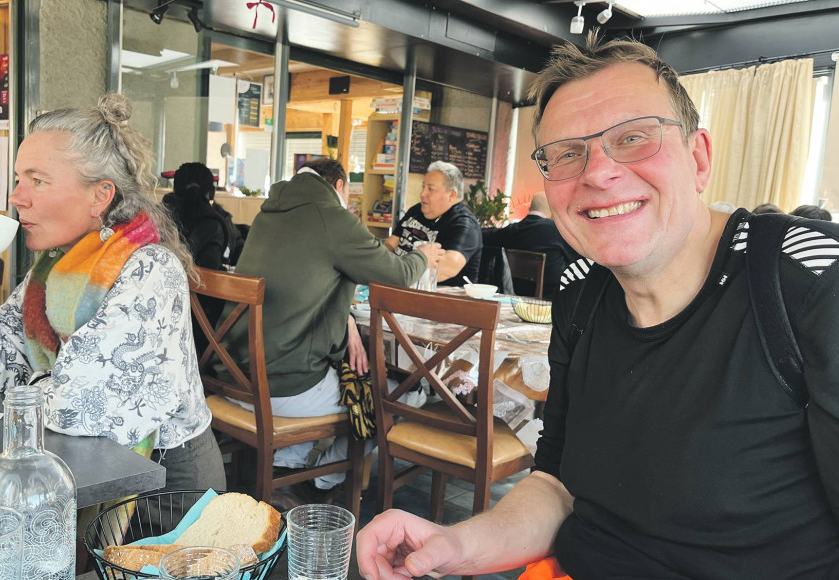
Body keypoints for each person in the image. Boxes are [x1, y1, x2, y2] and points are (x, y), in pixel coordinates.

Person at [358, 32, 839, 579]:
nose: (596, 172)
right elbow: (556, 485)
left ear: (699, 158)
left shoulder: (808, 279)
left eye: (634, 137)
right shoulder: (581, 290)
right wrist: (454, 544)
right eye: (566, 154)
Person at [0, 94, 225, 492]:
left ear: (100, 195)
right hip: (77, 472)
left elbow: (80, 407)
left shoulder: (150, 269)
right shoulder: (57, 265)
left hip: (163, 493)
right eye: (19, 179)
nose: (17, 197)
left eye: (37, 181)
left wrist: (31, 387)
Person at [222, 157, 442, 504]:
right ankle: (319, 479)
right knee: (394, 395)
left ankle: (287, 466)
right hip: (279, 387)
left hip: (233, 375)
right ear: (340, 187)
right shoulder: (332, 217)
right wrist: (423, 256)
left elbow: (303, 280)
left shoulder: (270, 212)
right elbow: (398, 275)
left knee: (337, 369)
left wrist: (348, 319)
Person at [385, 160, 481, 286]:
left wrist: (398, 271)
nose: (422, 194)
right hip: (398, 284)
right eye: (423, 187)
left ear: (452, 195)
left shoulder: (465, 225)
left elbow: (446, 269)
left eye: (430, 189)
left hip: (440, 300)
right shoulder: (417, 210)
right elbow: (390, 245)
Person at [482, 192, 579, 299]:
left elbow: (483, 235)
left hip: (518, 295)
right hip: (552, 300)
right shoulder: (559, 231)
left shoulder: (512, 230)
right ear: (553, 210)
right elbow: (581, 260)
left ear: (529, 208)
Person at [162, 162, 230, 271]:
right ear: (212, 192)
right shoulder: (215, 224)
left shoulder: (157, 216)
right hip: (202, 285)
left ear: (174, 189)